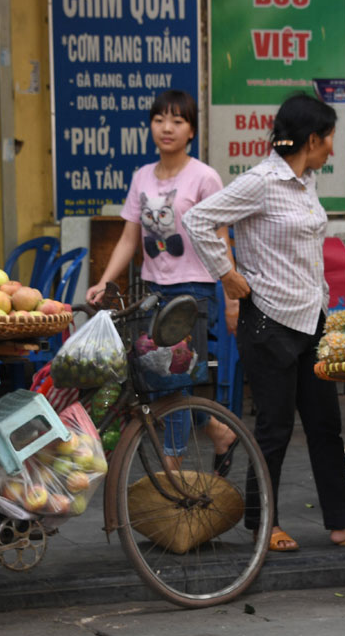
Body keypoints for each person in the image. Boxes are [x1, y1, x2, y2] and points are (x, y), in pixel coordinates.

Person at [183, 92, 345, 552]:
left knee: (325, 425)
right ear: (312, 138)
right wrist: (227, 274)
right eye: (329, 140)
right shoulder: (261, 181)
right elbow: (199, 219)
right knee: (274, 429)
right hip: (270, 323)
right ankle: (265, 522)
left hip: (310, 320)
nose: (332, 150)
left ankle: (342, 521)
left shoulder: (306, 181)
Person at [85, 89, 238, 468]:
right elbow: (128, 238)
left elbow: (221, 236)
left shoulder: (204, 178)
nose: (166, 128)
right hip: (153, 291)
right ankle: (218, 431)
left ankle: (172, 467)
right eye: (159, 120)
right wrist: (105, 280)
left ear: (191, 131)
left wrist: (231, 292)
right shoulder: (141, 178)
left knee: (174, 378)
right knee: (169, 378)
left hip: (195, 292)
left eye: (177, 121)